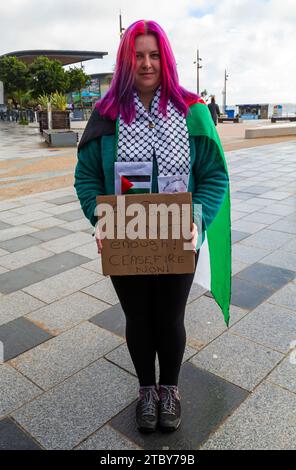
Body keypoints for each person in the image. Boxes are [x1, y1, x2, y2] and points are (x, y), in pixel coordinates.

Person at [74, 20, 230, 434]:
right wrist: (100, 216)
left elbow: (214, 176)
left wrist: (198, 217)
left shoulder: (192, 112)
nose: (146, 63)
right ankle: (147, 390)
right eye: (138, 55)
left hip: (180, 236)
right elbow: (86, 177)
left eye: (154, 54)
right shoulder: (107, 115)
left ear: (166, 59)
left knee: (170, 317)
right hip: (126, 238)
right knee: (139, 318)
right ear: (127, 61)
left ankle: (170, 389)